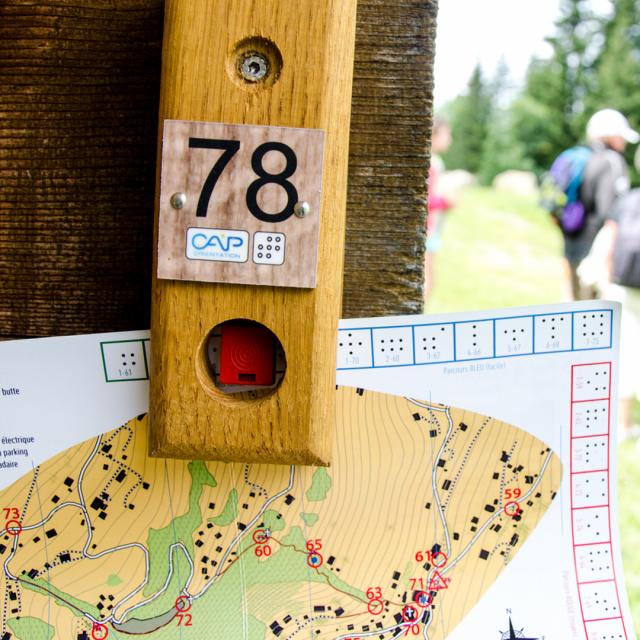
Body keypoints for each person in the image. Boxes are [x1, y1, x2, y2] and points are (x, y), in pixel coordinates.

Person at [563, 109, 638, 300]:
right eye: (621, 138)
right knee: (596, 317)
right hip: (595, 249)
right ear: (611, 136)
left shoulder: (578, 157)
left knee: (575, 307)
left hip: (571, 242)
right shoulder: (612, 161)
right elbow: (611, 211)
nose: (623, 144)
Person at [425, 117, 454, 305]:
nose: (450, 139)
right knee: (426, 281)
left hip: (431, 229)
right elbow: (423, 198)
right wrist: (446, 201)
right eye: (447, 134)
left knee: (429, 280)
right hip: (426, 231)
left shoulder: (436, 162)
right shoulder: (430, 163)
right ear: (434, 134)